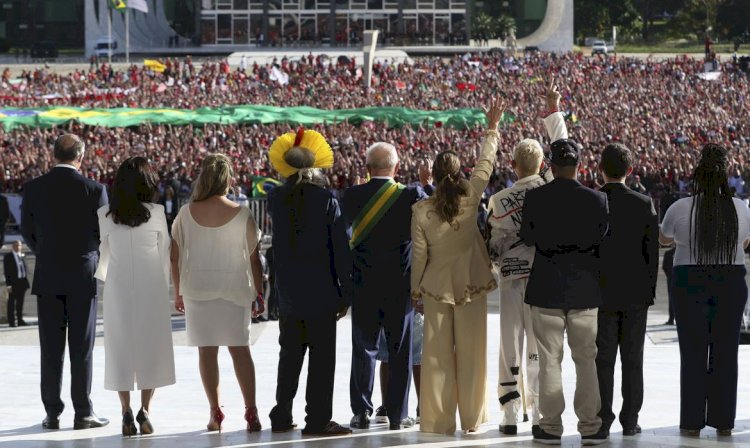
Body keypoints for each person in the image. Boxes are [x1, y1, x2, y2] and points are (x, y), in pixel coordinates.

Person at [410, 97, 505, 435]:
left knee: (436, 356)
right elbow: (485, 163)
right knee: (472, 354)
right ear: (459, 173)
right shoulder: (473, 194)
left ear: (432, 176)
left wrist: (415, 289)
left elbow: (420, 255)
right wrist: (491, 128)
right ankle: (471, 418)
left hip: (435, 285)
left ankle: (437, 421)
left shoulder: (421, 210)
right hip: (472, 282)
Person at [487, 83, 568, 436]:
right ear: (542, 165)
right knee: (538, 347)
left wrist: (499, 267)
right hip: (543, 278)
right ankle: (536, 412)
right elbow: (564, 151)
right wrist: (553, 112)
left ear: (513, 164)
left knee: (510, 343)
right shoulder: (552, 190)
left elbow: (492, 245)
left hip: (510, 279)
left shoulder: (498, 200)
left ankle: (509, 413)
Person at [520, 138, 609, 445]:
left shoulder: (536, 198)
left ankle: (550, 426)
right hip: (583, 290)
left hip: (547, 288)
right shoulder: (597, 200)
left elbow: (527, 237)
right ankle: (590, 425)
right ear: (578, 165)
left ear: (551, 167)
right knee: (586, 360)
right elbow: (601, 240)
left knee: (549, 360)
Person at [659, 143, 750, 438]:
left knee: (693, 353)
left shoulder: (680, 208)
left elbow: (664, 239)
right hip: (731, 281)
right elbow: (745, 242)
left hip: (689, 282)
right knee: (725, 354)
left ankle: (691, 421)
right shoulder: (740, 208)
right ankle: (724, 421)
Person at [20, 134, 110, 430]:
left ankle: (52, 413)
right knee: (81, 348)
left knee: (51, 348)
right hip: (82, 276)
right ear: (80, 157)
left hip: (48, 274)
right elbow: (102, 234)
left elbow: (27, 231)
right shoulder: (95, 190)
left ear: (53, 154)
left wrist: (45, 253)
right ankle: (83, 411)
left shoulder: (33, 189)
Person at [267, 128, 352, 436]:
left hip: (289, 291)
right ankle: (316, 419)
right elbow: (340, 249)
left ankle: (281, 413)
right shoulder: (326, 199)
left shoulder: (277, 199)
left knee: (289, 355)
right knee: (320, 359)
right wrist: (346, 293)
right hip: (322, 292)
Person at [170, 153, 264, 433]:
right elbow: (254, 259)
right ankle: (251, 410)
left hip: (198, 290)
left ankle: (215, 411)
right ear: (228, 179)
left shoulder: (186, 213)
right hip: (235, 290)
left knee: (207, 353)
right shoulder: (242, 213)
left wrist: (178, 292)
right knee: (240, 351)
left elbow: (173, 257)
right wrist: (259, 293)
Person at [344, 142, 433, 431]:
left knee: (364, 350)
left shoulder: (353, 195)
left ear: (367, 169)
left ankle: (361, 413)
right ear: (397, 168)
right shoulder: (411, 194)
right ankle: (398, 415)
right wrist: (427, 183)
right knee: (400, 351)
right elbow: (435, 211)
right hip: (400, 287)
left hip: (363, 285)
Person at [95, 157, 176, 436]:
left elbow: (103, 256)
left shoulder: (105, 214)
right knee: (150, 345)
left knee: (119, 347)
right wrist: (164, 283)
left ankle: (125, 410)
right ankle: (145, 409)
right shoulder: (155, 212)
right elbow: (164, 250)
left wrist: (105, 275)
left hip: (118, 285)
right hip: (151, 284)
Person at [595, 143, 659, 438]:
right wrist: (649, 293)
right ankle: (630, 420)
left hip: (602, 294)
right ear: (629, 171)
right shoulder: (644, 203)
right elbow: (652, 255)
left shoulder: (593, 202)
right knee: (633, 360)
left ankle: (603, 418)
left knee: (604, 360)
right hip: (635, 295)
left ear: (600, 169)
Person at [372, 305, 424, 427]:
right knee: (415, 356)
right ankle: (421, 408)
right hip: (410, 297)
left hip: (390, 298)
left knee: (388, 355)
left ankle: (386, 407)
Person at [4, 240, 30, 327]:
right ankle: (11, 322)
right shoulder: (8, 257)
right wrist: (8, 285)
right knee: (11, 303)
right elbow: (6, 271)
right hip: (13, 283)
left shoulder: (22, 255)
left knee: (20, 303)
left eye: (19, 245)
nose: (17, 247)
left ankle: (20, 320)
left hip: (22, 283)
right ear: (12, 246)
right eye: (15, 245)